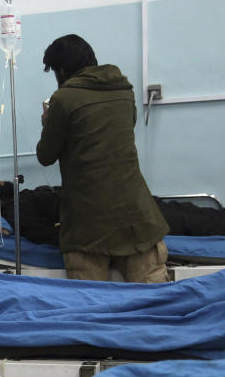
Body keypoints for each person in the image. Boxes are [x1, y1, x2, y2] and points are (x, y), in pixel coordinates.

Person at [36, 34, 169, 282]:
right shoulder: (124, 90)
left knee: (93, 309)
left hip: (89, 226)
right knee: (155, 304)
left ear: (62, 70)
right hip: (138, 220)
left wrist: (47, 122)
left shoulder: (63, 99)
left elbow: (46, 155)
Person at [0, 177, 225, 244]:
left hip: (108, 200)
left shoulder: (20, 199)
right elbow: (49, 234)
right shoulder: (15, 215)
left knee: (185, 208)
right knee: (186, 221)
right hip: (104, 218)